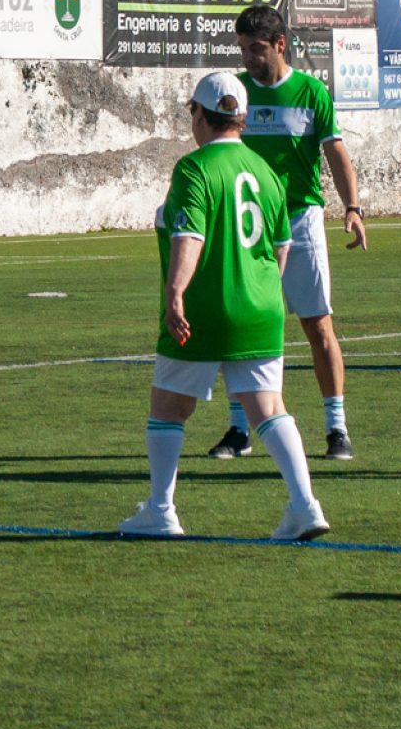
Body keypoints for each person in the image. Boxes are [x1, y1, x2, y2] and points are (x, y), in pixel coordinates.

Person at [119, 71, 330, 541]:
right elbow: (280, 247)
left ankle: (161, 509)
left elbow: (189, 235)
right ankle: (305, 505)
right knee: (269, 408)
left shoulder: (194, 169)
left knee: (168, 407)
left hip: (205, 309)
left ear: (199, 114)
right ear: (241, 118)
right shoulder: (268, 172)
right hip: (261, 307)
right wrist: (259, 292)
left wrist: (176, 292)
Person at [206, 4, 367, 463]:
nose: (249, 58)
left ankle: (336, 429)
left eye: (256, 48)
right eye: (242, 49)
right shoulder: (235, 92)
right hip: (248, 226)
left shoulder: (311, 91)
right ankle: (239, 431)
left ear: (280, 44)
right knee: (241, 326)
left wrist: (352, 208)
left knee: (318, 326)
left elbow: (335, 151)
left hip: (301, 220)